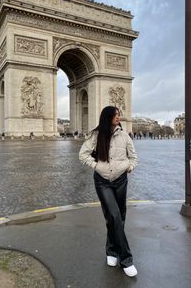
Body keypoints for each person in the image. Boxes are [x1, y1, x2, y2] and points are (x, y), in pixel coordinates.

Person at [79, 106, 138, 277]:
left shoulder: (125, 135)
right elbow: (83, 154)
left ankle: (111, 251)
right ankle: (126, 259)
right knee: (114, 216)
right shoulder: (96, 135)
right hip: (102, 181)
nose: (119, 116)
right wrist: (96, 166)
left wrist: (130, 166)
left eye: (119, 114)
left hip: (120, 180)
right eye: (115, 114)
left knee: (119, 217)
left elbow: (134, 156)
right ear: (107, 117)